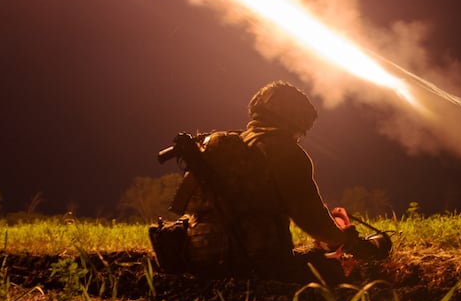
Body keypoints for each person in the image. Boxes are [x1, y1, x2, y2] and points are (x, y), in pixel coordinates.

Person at [151, 80, 390, 282]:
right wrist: (349, 240)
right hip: (254, 262)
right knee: (333, 271)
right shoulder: (284, 151)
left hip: (200, 257)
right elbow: (312, 220)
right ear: (294, 120)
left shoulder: (236, 145)